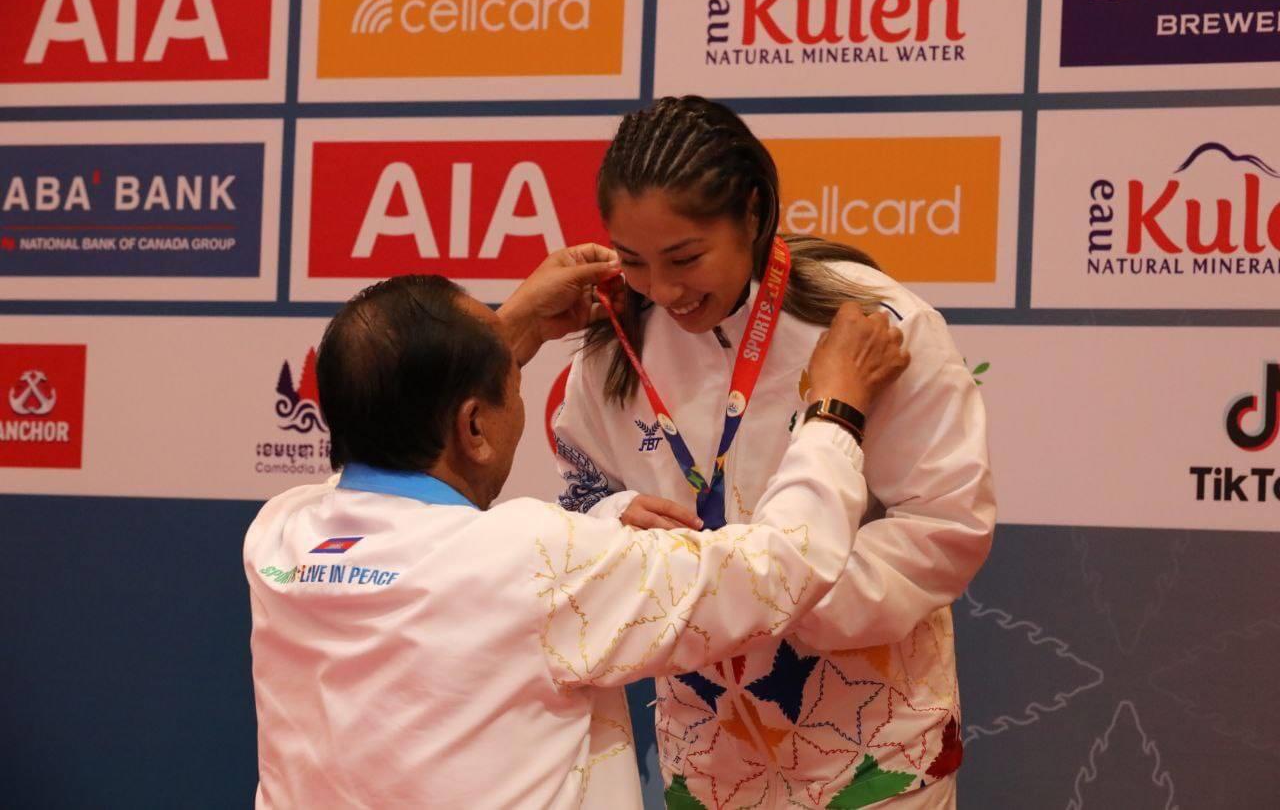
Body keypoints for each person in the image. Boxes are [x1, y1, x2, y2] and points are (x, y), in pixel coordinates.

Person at [243, 245, 910, 808]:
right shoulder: (535, 559)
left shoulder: (278, 533)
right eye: (511, 385)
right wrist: (835, 410)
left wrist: (502, 334)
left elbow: (384, 432)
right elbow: (776, 568)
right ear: (474, 426)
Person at [552, 96, 996, 808]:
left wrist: (774, 597)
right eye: (633, 261)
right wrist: (615, 520)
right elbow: (578, 501)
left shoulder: (876, 324)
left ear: (753, 214)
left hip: (875, 751)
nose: (663, 289)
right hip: (707, 757)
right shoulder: (614, 346)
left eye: (685, 258)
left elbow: (946, 523)